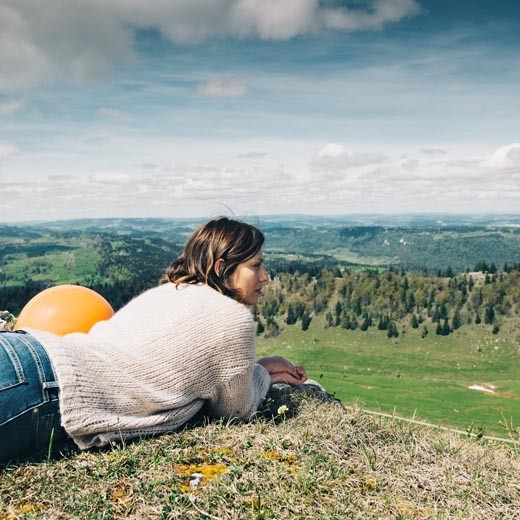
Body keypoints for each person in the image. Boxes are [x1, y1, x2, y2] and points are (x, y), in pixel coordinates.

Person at [0, 217, 307, 464]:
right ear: (221, 268)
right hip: (45, 389)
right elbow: (236, 411)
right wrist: (263, 373)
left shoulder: (165, 292)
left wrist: (257, 368)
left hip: (28, 349)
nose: (265, 276)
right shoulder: (230, 317)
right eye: (255, 266)